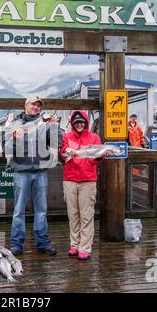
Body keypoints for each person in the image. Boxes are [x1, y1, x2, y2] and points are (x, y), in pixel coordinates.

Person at [4, 95, 63, 256]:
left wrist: (55, 126)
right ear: (25, 106)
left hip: (40, 171)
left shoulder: (46, 123)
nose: (36, 107)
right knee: (18, 210)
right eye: (33, 104)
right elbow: (7, 148)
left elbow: (57, 143)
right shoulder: (14, 124)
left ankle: (43, 243)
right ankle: (16, 244)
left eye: (38, 105)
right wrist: (15, 140)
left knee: (42, 210)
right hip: (21, 171)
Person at [60, 110, 105, 261]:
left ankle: (84, 248)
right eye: (76, 122)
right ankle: (74, 245)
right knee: (73, 215)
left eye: (82, 122)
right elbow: (62, 153)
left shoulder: (95, 138)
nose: (79, 125)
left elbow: (95, 159)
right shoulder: (66, 136)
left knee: (86, 215)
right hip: (70, 179)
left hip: (88, 179)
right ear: (72, 124)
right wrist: (66, 150)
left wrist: (100, 155)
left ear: (86, 123)